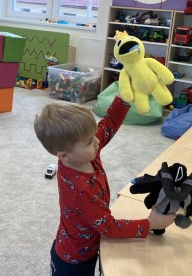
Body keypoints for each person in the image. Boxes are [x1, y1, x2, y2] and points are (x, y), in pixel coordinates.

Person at [34, 96, 175, 276]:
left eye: (93, 135)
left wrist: (124, 99)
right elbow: (108, 227)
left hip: (77, 242)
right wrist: (150, 224)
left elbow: (107, 126)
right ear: (64, 156)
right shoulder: (82, 190)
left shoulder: (82, 155)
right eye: (89, 141)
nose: (97, 141)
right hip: (75, 261)